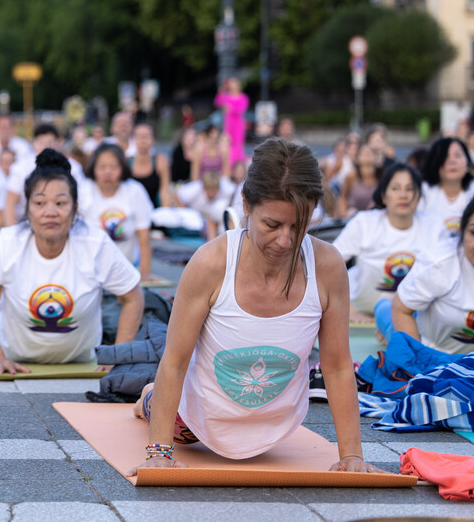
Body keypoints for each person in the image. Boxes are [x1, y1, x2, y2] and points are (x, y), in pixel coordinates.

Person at [134, 138, 378, 472]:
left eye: (299, 226)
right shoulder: (210, 263)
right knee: (170, 414)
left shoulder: (328, 266)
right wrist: (159, 454)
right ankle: (146, 397)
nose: (286, 241)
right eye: (272, 225)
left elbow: (336, 366)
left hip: (277, 421)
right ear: (246, 205)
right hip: (195, 419)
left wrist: (352, 456)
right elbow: (175, 362)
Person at [0, 150, 144, 371]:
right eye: (40, 203)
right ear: (28, 209)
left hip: (81, 358)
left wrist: (118, 355)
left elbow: (133, 297)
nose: (50, 212)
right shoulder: (7, 243)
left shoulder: (96, 243)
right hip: (16, 353)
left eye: (60, 203)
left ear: (75, 209)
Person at [333, 162, 441, 321]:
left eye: (410, 189)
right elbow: (330, 265)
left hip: (413, 317)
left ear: (418, 196)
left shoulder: (435, 226)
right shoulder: (364, 223)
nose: (403, 195)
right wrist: (349, 311)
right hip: (361, 315)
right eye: (395, 188)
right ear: (384, 195)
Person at [390, 197, 474, 354]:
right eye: (473, 232)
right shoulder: (438, 262)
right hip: (434, 352)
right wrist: (419, 360)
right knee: (388, 318)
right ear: (462, 232)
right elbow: (401, 309)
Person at [78, 144, 154, 281]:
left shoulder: (135, 190)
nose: (108, 172)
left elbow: (144, 235)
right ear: (93, 168)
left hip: (127, 269)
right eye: (102, 167)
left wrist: (145, 274)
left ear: (122, 168)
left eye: (113, 167)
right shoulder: (83, 191)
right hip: (90, 270)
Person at [3, 123, 82, 228]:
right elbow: (10, 203)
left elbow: (81, 200)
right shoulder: (20, 168)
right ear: (34, 143)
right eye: (41, 142)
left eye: (50, 142)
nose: (46, 146)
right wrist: (13, 233)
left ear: (59, 142)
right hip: (27, 224)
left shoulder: (74, 167)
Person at [420, 137, 474, 240]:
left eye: (457, 156)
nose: (452, 161)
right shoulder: (423, 191)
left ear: (467, 161)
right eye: (445, 156)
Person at [176, 171, 235, 240]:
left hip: (213, 221)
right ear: (204, 187)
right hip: (195, 218)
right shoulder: (194, 189)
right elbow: (177, 196)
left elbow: (234, 193)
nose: (211, 192)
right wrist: (185, 212)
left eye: (214, 189)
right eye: (209, 189)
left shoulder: (226, 190)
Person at [128, 121, 171, 208]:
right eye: (139, 136)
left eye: (146, 136)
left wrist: (165, 210)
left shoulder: (160, 161)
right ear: (133, 140)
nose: (143, 140)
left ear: (153, 140)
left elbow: (165, 191)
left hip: (155, 210)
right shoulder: (126, 161)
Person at [337, 143, 381, 220]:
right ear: (357, 158)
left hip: (374, 218)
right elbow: (342, 197)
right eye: (364, 154)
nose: (367, 156)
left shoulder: (380, 176)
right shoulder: (351, 176)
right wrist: (344, 215)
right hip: (353, 218)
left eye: (370, 153)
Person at [213, 77, 248, 170]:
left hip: (238, 125)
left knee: (238, 145)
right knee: (227, 144)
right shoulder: (226, 96)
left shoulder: (243, 97)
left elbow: (241, 109)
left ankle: (238, 166)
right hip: (228, 125)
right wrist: (220, 91)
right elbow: (217, 102)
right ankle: (228, 166)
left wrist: (230, 109)